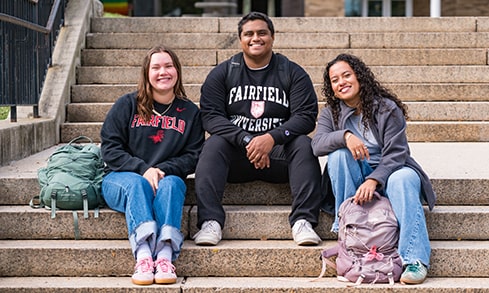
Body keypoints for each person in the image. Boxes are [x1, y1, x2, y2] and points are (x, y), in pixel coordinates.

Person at [192, 11, 323, 247]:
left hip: (278, 158)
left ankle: (303, 221)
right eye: (249, 33)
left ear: (272, 37)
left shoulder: (292, 72)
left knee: (304, 144)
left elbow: (305, 116)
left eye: (262, 33)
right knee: (213, 144)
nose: (256, 38)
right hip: (237, 158)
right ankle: (210, 221)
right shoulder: (223, 73)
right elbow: (210, 117)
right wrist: (245, 139)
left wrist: (271, 138)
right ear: (240, 39)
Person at [311, 53, 436, 285]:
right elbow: (317, 145)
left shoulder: (386, 108)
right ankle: (347, 232)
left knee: (404, 178)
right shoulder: (331, 113)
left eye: (346, 75)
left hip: (392, 173)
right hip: (355, 178)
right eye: (335, 80)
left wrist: (374, 179)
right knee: (338, 155)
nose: (342, 82)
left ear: (359, 77)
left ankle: (415, 259)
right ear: (332, 88)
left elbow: (397, 152)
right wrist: (345, 136)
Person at [100, 45, 205, 285]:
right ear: (146, 73)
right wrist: (143, 169)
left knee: (172, 185)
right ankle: (144, 256)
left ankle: (166, 256)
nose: (163, 72)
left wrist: (163, 169)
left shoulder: (189, 112)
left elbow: (194, 155)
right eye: (156, 67)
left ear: (177, 71)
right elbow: (110, 148)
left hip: (166, 178)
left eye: (168, 66)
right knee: (138, 184)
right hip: (120, 179)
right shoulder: (128, 104)